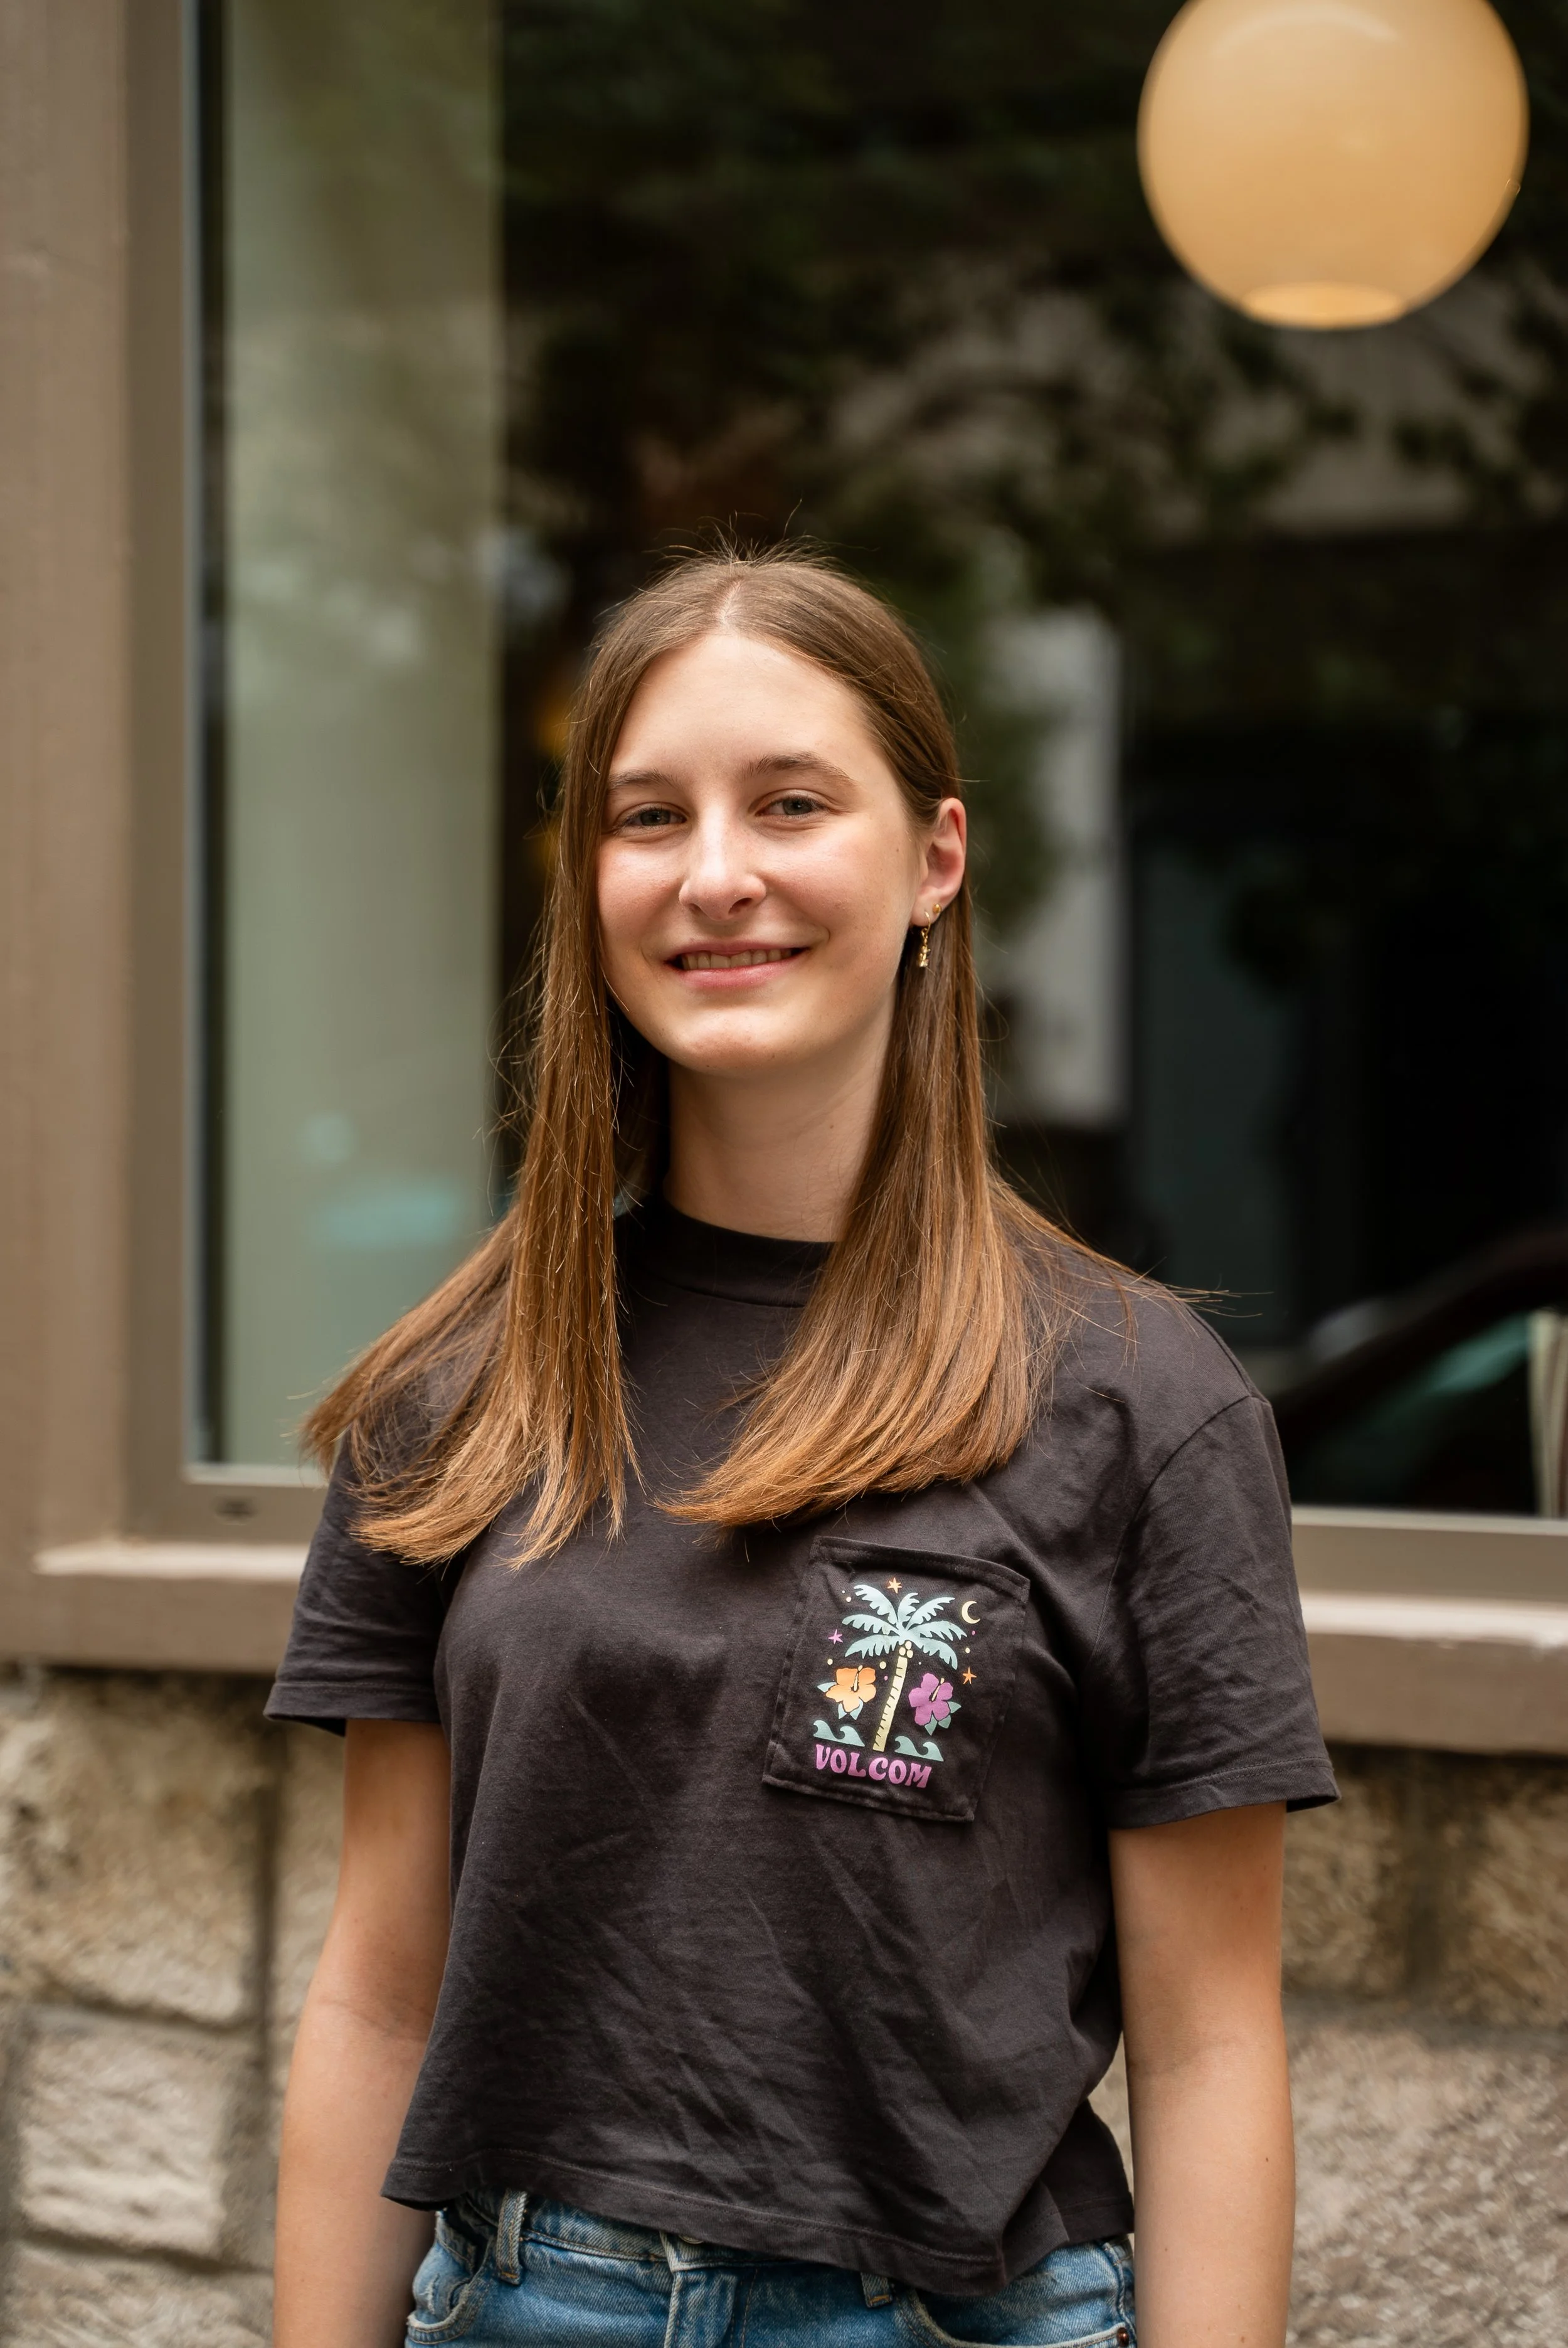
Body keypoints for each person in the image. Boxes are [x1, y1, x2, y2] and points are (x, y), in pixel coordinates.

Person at [267, 550, 1335, 2348]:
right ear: (586, 879)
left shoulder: (1137, 1401)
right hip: (530, 2302)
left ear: (932, 857)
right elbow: (379, 1997)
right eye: (646, 815)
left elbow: (1214, 2038)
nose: (714, 874)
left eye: (789, 803)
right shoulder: (458, 1391)